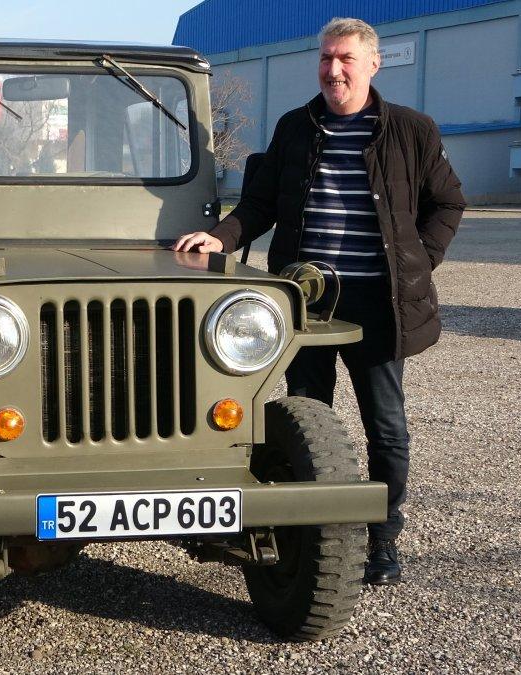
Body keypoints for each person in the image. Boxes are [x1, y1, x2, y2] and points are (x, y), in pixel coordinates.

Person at [173, 17, 464, 585]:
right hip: (303, 299)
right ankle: (309, 531)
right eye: (326, 59)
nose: (334, 70)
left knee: (386, 425)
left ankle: (382, 536)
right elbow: (260, 203)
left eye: (346, 60)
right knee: (305, 415)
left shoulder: (412, 130)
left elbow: (448, 204)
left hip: (379, 303)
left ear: (372, 64)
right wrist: (223, 238)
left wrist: (418, 262)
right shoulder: (296, 127)